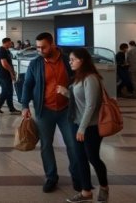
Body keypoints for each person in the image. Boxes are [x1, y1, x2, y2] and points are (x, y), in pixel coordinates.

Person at [21, 32, 80, 193]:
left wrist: (69, 91)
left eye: (43, 47)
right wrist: (25, 105)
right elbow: (27, 85)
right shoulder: (36, 64)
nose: (40, 50)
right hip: (44, 110)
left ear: (52, 44)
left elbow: (79, 80)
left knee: (73, 145)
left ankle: (77, 176)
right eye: (38, 47)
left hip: (66, 110)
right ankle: (51, 177)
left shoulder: (68, 60)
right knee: (46, 146)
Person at [57, 48, 109, 203]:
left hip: (90, 127)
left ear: (83, 60)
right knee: (80, 158)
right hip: (76, 123)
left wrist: (82, 128)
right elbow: (78, 100)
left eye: (73, 59)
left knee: (93, 158)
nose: (70, 62)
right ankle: (86, 191)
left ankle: (104, 187)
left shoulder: (91, 78)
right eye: (70, 59)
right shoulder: (78, 77)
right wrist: (66, 92)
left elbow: (91, 105)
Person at [0, 37, 21, 114]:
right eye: (9, 43)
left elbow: (9, 63)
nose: (11, 44)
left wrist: (13, 71)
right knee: (6, 92)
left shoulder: (7, 51)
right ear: (5, 43)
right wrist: (11, 73)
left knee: (9, 92)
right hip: (3, 75)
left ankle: (11, 109)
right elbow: (4, 64)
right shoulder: (1, 51)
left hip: (6, 75)